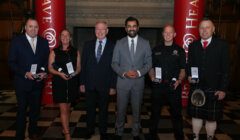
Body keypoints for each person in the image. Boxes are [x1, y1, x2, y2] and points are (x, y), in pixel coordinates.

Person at [187, 18, 229, 140]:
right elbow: (190, 64)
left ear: (213, 29)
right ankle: (195, 138)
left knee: (212, 118)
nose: (204, 30)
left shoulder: (222, 45)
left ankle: (210, 138)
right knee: (196, 116)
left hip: (214, 88)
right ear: (198, 30)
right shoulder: (193, 45)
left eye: (207, 27)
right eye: (201, 28)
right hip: (197, 87)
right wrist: (189, 75)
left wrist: (223, 89)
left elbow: (226, 69)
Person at [8, 18, 49, 140]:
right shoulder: (17, 41)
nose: (33, 29)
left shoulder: (43, 42)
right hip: (22, 83)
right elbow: (11, 62)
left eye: (36, 27)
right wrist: (25, 73)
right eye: (30, 26)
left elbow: (46, 61)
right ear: (25, 28)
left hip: (37, 83)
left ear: (38, 29)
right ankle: (19, 134)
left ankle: (33, 132)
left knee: (35, 110)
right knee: (21, 110)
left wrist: (44, 71)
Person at [111, 16, 152, 140]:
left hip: (138, 83)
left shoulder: (145, 43)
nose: (131, 28)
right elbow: (114, 63)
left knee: (137, 110)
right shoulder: (119, 43)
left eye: (134, 26)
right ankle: (119, 132)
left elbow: (149, 63)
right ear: (125, 28)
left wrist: (139, 73)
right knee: (121, 109)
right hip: (123, 82)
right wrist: (124, 73)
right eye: (129, 26)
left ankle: (135, 133)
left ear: (138, 28)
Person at [79, 21, 116, 140]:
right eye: (97, 29)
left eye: (102, 29)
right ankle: (89, 130)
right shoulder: (87, 45)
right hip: (89, 84)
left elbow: (115, 67)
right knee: (89, 109)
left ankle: (103, 131)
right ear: (95, 31)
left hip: (105, 85)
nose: (99, 32)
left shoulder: (113, 46)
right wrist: (82, 82)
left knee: (104, 110)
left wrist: (113, 86)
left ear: (107, 31)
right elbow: (83, 66)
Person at [148, 24, 186, 140]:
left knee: (176, 114)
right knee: (155, 113)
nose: (168, 34)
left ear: (174, 35)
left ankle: (179, 136)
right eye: (165, 32)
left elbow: (183, 70)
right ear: (162, 34)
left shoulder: (180, 50)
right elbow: (150, 68)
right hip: (158, 86)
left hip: (174, 87)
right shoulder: (155, 50)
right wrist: (152, 77)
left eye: (170, 32)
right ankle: (152, 135)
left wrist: (179, 81)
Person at [48, 29, 80, 140]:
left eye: (67, 35)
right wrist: (59, 74)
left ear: (70, 38)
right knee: (63, 109)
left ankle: (64, 127)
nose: (65, 37)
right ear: (60, 38)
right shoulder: (54, 51)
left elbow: (79, 68)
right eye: (63, 35)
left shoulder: (76, 51)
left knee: (68, 108)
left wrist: (74, 73)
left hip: (71, 83)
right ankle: (67, 134)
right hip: (59, 83)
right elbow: (50, 68)